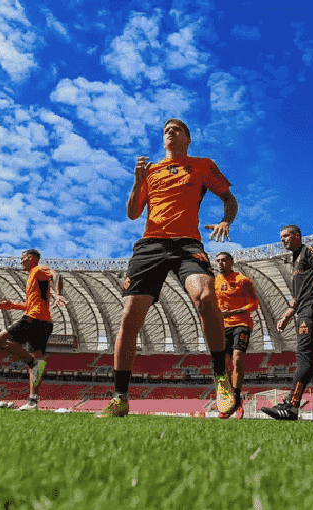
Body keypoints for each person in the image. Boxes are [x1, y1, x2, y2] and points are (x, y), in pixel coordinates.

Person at [96, 118, 239, 418]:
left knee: (206, 297)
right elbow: (133, 213)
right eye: (166, 130)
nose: (170, 132)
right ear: (164, 140)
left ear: (188, 138)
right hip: (150, 245)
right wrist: (137, 181)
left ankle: (221, 378)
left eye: (176, 129)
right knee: (130, 315)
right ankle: (120, 397)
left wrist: (227, 220)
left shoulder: (202, 165)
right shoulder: (150, 171)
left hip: (187, 244)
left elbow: (229, 198)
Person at [261, 225, 313, 422]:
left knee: (304, 357)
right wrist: (288, 314)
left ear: (297, 235)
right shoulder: (294, 260)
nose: (283, 240)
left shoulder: (310, 251)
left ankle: (291, 406)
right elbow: (300, 293)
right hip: (304, 310)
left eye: (286, 235)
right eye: (281, 237)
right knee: (311, 362)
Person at [0, 249, 66, 411]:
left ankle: (31, 363)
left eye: (22, 257)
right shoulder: (32, 276)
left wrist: (58, 294)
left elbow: (57, 275)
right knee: (37, 362)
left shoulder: (38, 270)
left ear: (31, 258)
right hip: (44, 321)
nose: (20, 261)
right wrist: (12, 306)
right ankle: (33, 402)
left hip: (34, 319)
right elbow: (30, 304)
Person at [214, 251, 260, 419]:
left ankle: (236, 397)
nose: (220, 263)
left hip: (242, 324)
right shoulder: (215, 281)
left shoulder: (242, 280)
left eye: (223, 260)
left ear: (231, 262)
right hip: (224, 326)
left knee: (237, 359)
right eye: (218, 261)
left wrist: (233, 311)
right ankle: (228, 401)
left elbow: (254, 304)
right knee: (224, 365)